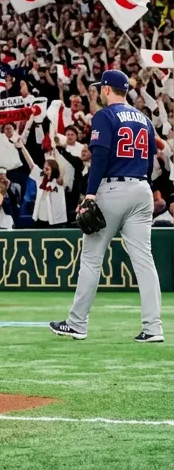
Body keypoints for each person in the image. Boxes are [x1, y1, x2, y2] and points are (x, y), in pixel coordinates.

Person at [51, 70, 164, 343]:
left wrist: (90, 195)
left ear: (106, 90)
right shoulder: (144, 119)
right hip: (141, 188)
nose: (99, 91)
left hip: (113, 189)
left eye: (101, 88)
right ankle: (153, 328)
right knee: (145, 262)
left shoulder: (105, 115)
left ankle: (77, 323)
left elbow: (99, 156)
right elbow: (150, 161)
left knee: (91, 258)